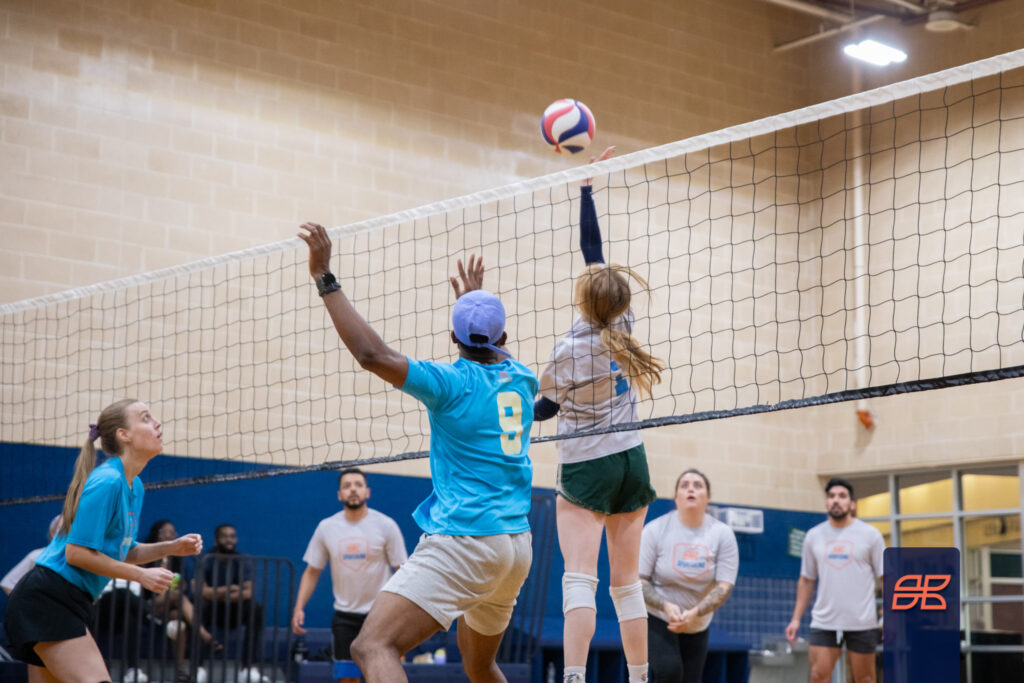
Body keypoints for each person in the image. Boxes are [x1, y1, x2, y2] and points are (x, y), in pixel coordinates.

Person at [297, 222, 536, 683]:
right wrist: (475, 304)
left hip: (468, 538)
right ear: (503, 338)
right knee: (481, 667)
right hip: (515, 546)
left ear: (453, 338)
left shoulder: (450, 383)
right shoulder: (522, 378)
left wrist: (324, 276)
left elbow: (371, 355)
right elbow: (490, 349)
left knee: (371, 646)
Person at [533, 147, 663, 683]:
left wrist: (509, 397)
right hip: (632, 459)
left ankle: (573, 677)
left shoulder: (568, 349)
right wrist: (589, 189)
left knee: (580, 579)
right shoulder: (623, 325)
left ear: (583, 299)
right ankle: (639, 677)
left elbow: (543, 410)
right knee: (626, 585)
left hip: (588, 464)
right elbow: (596, 253)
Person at [2, 399, 203, 683]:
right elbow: (76, 554)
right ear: (124, 434)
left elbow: (122, 551)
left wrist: (171, 547)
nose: (157, 423)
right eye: (145, 417)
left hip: (72, 600)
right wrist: (141, 575)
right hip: (49, 597)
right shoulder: (108, 481)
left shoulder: (135, 486)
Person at [291, 467, 408, 683]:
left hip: (380, 616)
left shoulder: (386, 525)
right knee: (348, 678)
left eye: (358, 485)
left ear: (367, 492)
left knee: (383, 676)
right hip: (345, 617)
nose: (353, 489)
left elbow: (402, 572)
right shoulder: (326, 527)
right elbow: (312, 571)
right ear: (339, 495)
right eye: (347, 486)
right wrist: (299, 607)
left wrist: (402, 616)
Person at [639, 470, 739, 683]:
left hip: (697, 621)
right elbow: (639, 581)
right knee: (669, 672)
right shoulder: (655, 530)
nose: (691, 489)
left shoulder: (722, 534)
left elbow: (724, 587)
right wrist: (666, 606)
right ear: (676, 497)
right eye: (684, 485)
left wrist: (694, 613)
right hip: (659, 616)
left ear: (708, 497)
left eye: (697, 485)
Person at [785, 478, 885, 683]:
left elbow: (886, 577)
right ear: (826, 503)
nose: (836, 500)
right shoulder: (814, 536)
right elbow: (806, 580)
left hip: (862, 621)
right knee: (818, 676)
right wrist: (796, 618)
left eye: (842, 496)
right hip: (825, 621)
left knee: (865, 679)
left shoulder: (870, 535)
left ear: (852, 504)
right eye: (831, 496)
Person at [142, 519, 219, 682]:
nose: (170, 535)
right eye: (165, 532)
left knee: (178, 622)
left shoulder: (176, 559)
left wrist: (178, 583)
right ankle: (205, 635)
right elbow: (144, 588)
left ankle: (180, 671)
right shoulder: (145, 555)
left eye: (173, 532)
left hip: (171, 605)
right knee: (178, 597)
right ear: (157, 534)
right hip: (149, 604)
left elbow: (182, 584)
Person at [200, 524, 265, 682]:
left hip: (235, 609)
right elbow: (200, 590)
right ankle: (198, 667)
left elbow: (249, 592)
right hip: (213, 609)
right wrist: (229, 589)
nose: (229, 540)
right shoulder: (206, 559)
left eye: (232, 536)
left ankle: (248, 668)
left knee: (255, 609)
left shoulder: (241, 560)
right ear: (216, 540)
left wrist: (217, 593)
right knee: (198, 605)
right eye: (225, 536)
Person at [1, 515, 62, 595]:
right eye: (63, 529)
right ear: (53, 533)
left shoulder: (74, 559)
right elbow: (8, 584)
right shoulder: (37, 555)